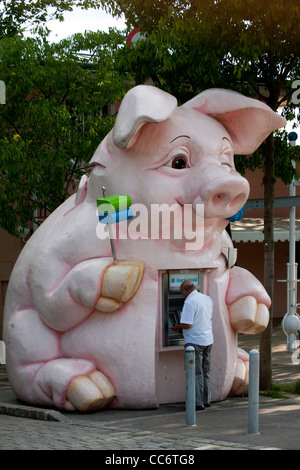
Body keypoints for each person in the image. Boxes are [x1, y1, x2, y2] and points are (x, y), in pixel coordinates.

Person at [172, 280, 213, 411]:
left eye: (182, 292)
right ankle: (206, 400)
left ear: (185, 290)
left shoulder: (190, 302)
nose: (182, 295)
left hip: (194, 341)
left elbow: (187, 324)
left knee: (195, 373)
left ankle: (197, 402)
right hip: (208, 340)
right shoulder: (207, 299)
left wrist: (177, 327)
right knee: (205, 372)